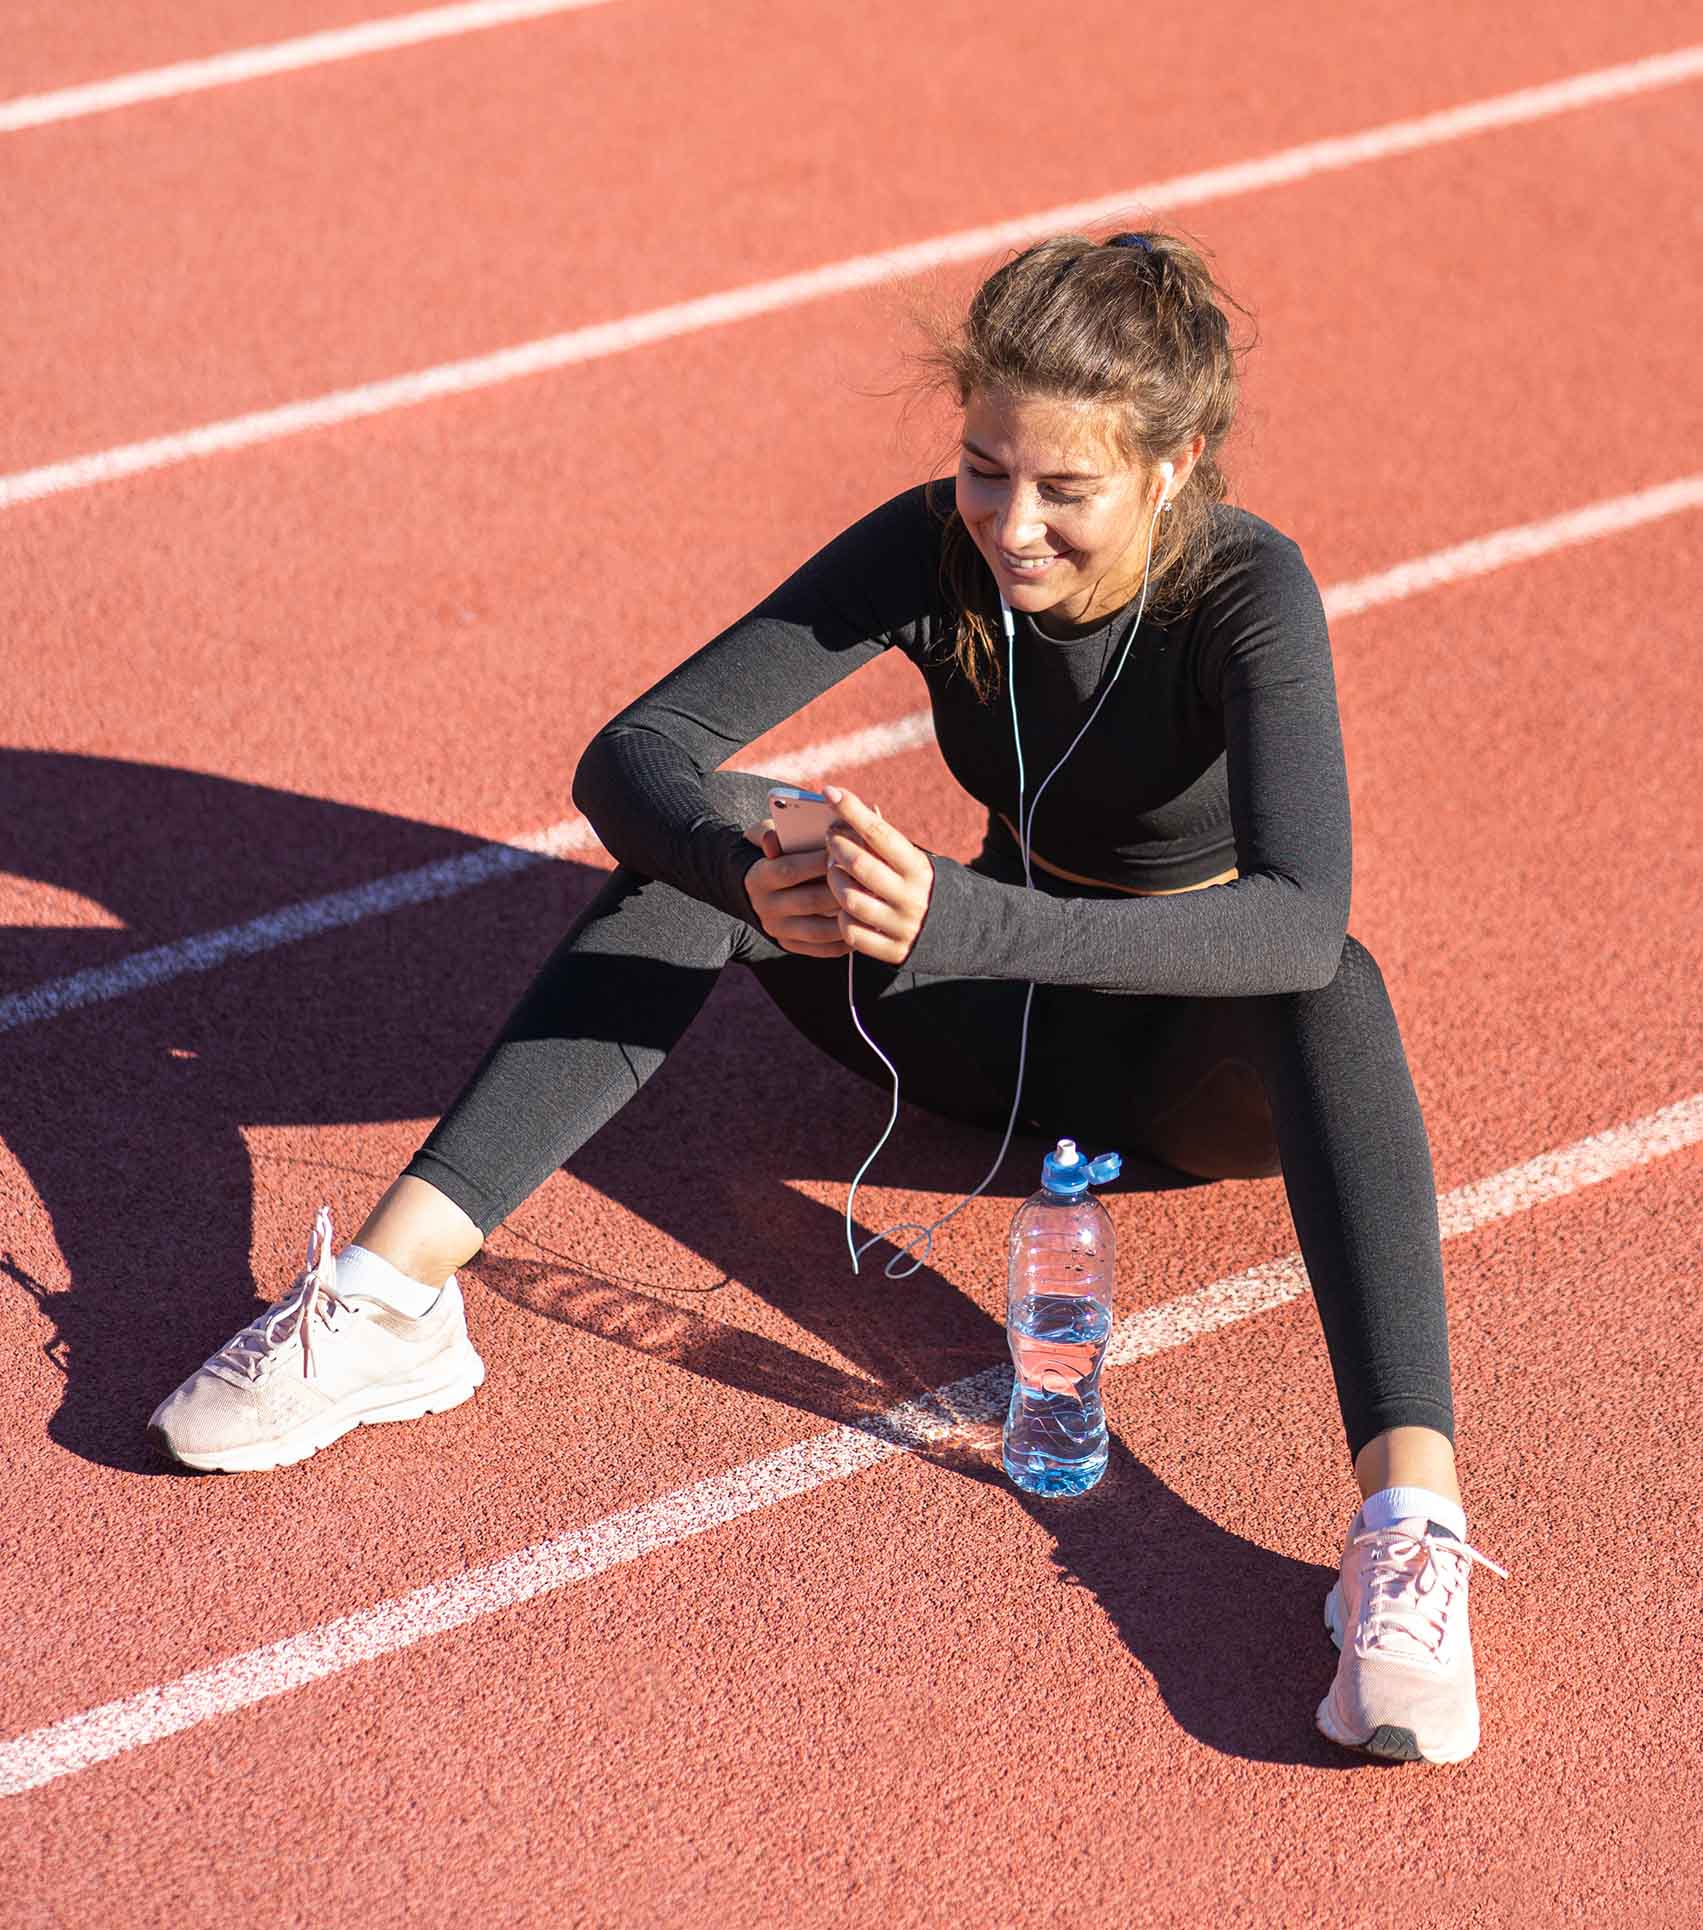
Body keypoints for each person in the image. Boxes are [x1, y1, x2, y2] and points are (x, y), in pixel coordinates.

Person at [149, 225, 1506, 1764]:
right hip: (983, 1020)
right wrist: (756, 881)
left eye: (1069, 488)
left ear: (1177, 461)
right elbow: (636, 752)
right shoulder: (936, 542)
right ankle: (391, 1300)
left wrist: (964, 915)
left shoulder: (1249, 590)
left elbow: (1290, 921)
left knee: (1343, 981)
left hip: (1191, 1056)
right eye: (990, 467)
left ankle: (1407, 1536)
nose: (1012, 523)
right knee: (725, 836)